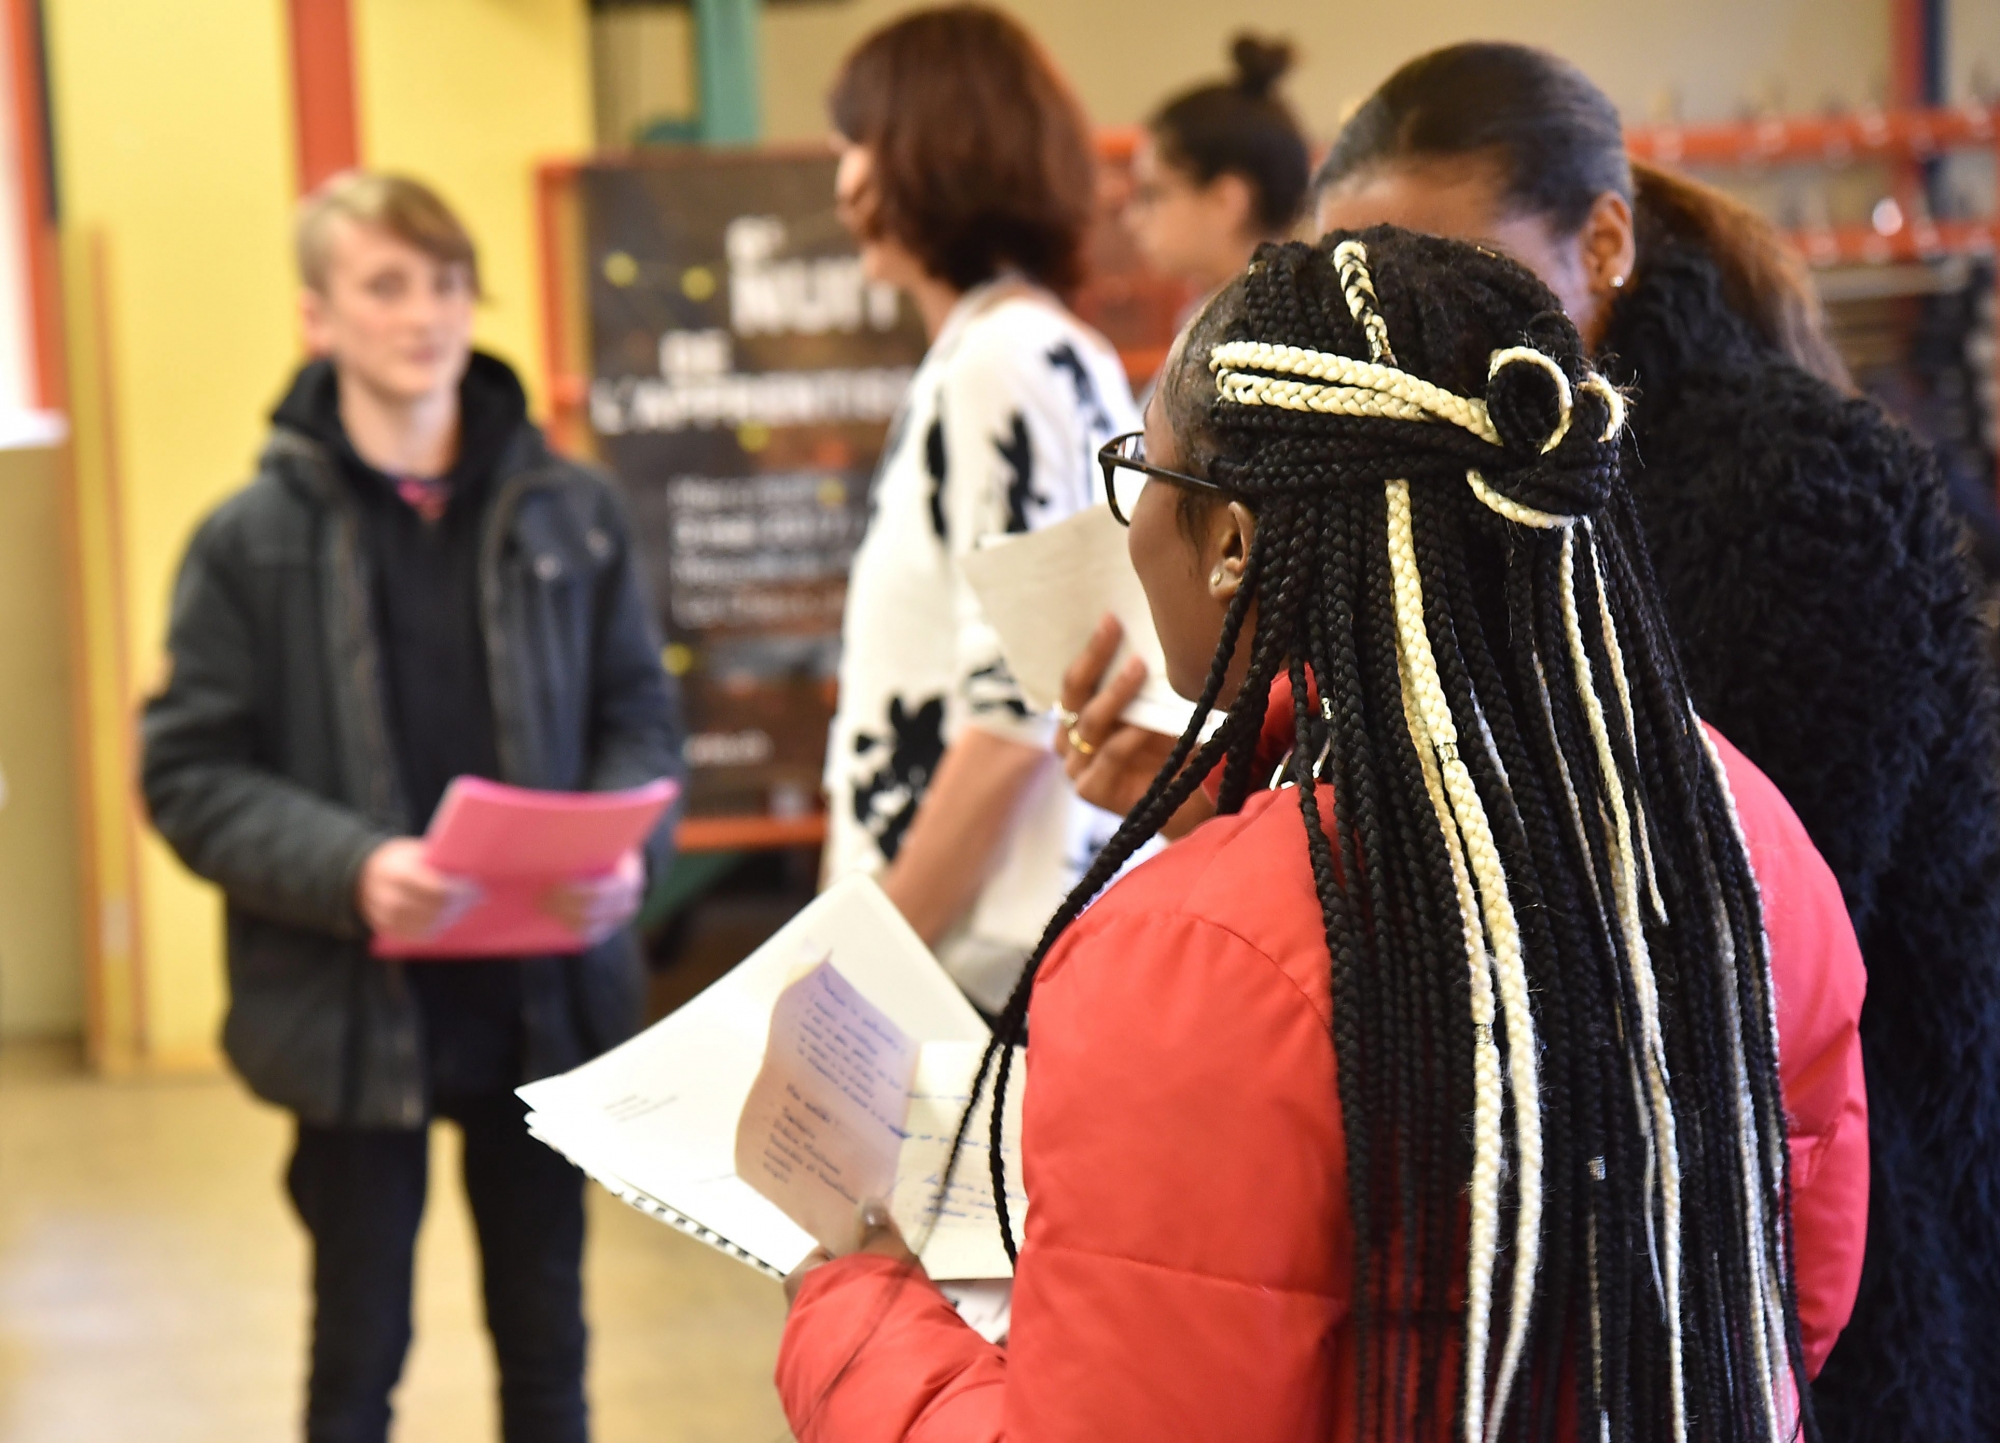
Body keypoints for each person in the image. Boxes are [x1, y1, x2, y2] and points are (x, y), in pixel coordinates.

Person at [778, 228, 1868, 1442]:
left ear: (1234, 540)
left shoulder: (1186, 965)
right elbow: (1782, 1310)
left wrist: (854, 1308)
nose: (1132, 517)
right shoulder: (1735, 832)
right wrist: (1250, 791)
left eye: (1146, 468)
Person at [1064, 44, 2000, 1440]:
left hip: (1787, 1287)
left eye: (1445, 263)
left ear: (1604, 242)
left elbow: (1688, 944)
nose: (1395, 329)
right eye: (1360, 277)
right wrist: (1241, 783)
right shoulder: (1472, 503)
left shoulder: (1787, 496)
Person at [141, 171, 682, 1443]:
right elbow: (188, 772)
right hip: (350, 1019)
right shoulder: (246, 540)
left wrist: (627, 854)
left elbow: (639, 722)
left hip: (542, 1004)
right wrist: (350, 865)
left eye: (445, 282)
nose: (425, 314)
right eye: (385, 285)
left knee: (549, 1353)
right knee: (356, 1364)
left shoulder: (576, 512)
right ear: (316, 317)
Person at [820, 5, 1140, 1014]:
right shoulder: (1034, 350)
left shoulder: (999, 363)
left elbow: (1017, 705)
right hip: (1003, 937)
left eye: (856, 146)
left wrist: (876, 966)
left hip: (980, 956)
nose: (841, 183)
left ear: (919, 156)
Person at [1122, 34, 1311, 298]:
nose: (1132, 220)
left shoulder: (1268, 322)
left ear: (1226, 200)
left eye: (1152, 194)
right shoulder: (1215, 312)